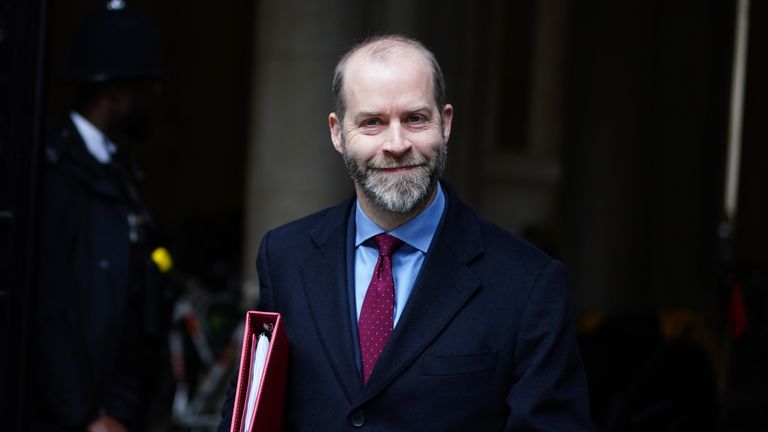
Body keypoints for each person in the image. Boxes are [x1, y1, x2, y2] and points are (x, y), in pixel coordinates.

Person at [220, 35, 590, 430]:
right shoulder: (285, 257)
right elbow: (249, 414)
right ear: (337, 132)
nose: (396, 144)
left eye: (415, 118)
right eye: (372, 122)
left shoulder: (529, 284)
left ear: (445, 123)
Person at [33, 3, 169, 431]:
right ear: (116, 92)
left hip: (116, 410)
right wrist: (85, 415)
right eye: (146, 88)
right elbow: (48, 305)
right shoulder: (56, 173)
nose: (153, 101)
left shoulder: (119, 171)